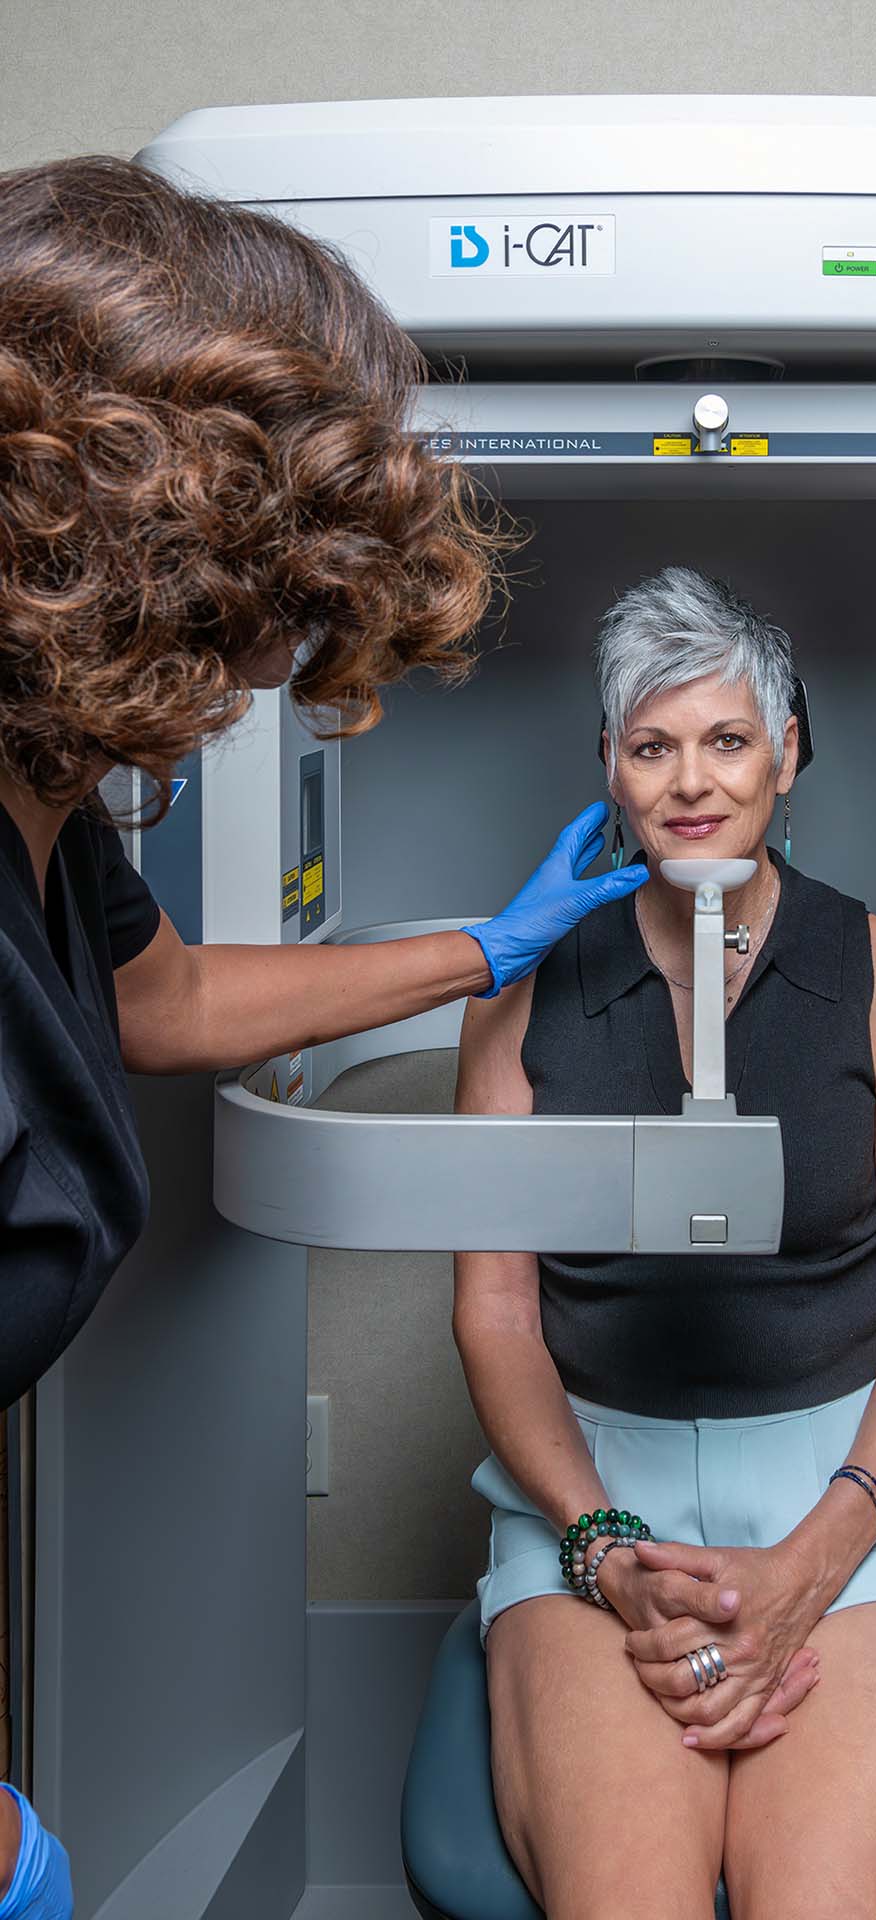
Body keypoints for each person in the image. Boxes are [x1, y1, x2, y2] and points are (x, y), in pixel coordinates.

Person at [0, 155, 647, 1915]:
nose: (280, 649)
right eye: (278, 583)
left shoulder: (46, 803)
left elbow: (170, 1001)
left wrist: (480, 949)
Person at [452, 565, 876, 1920]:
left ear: (788, 752)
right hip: (595, 1492)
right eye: (653, 746)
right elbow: (498, 1314)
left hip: (855, 1493)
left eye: (728, 739)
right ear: (609, 770)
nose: (692, 781)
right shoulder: (520, 1001)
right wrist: (604, 1543)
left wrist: (814, 1560)